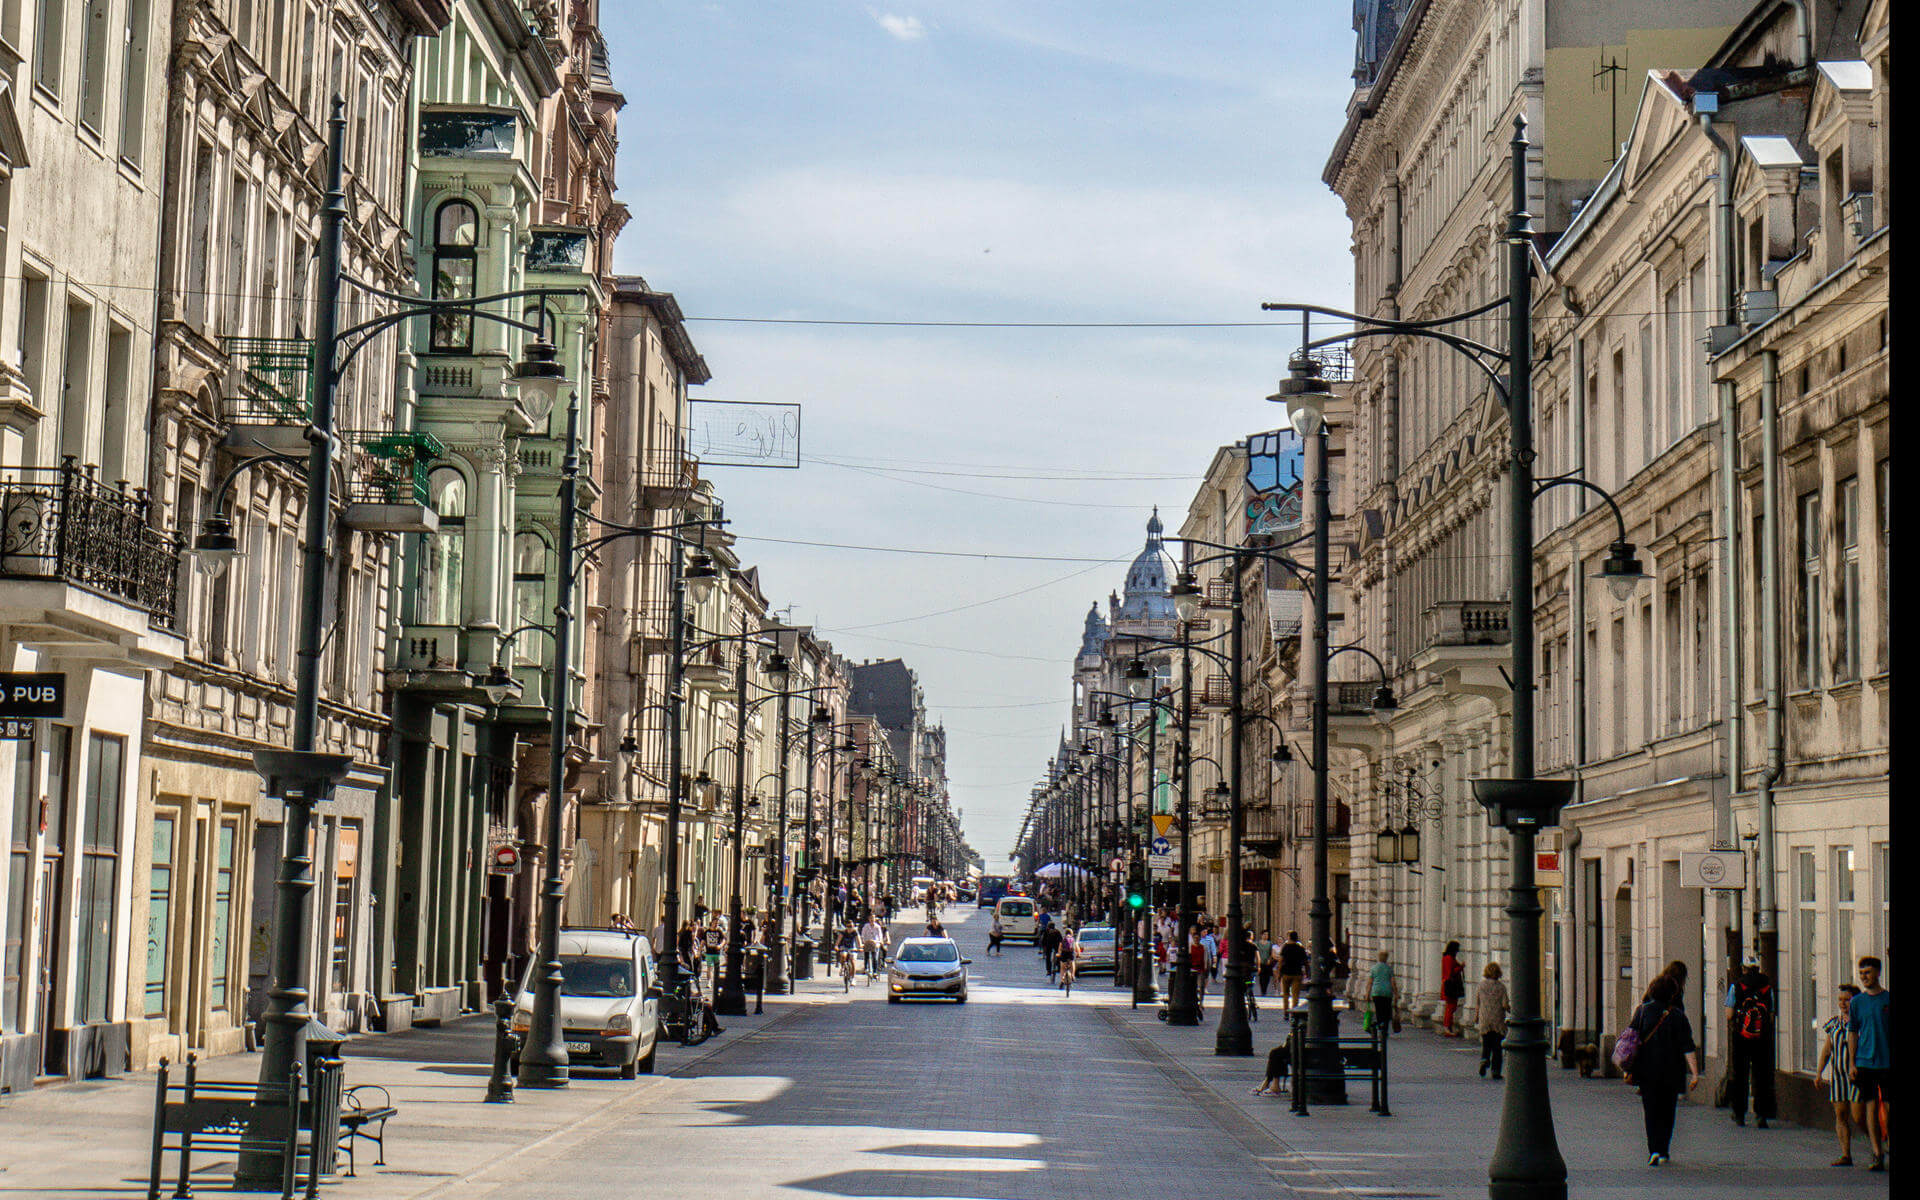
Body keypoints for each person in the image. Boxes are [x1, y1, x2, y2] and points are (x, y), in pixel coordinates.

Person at [1626, 973, 1698, 1166]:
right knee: (1668, 1110)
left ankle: (1654, 1150)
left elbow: (1631, 1039)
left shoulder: (1642, 1011)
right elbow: (1687, 1046)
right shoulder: (1677, 1016)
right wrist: (1695, 1073)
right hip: (1672, 1072)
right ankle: (1664, 1149)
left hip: (1647, 1072)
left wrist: (1628, 1066)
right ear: (1672, 994)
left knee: (1651, 1110)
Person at [1846, 955, 1891, 1172]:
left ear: (1878, 973)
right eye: (1861, 973)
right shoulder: (1857, 1002)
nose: (1864, 976)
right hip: (1865, 1062)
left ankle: (1887, 1141)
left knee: (1888, 1108)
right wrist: (1852, 1063)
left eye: (1868, 972)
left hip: (1887, 1061)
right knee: (1871, 1107)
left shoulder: (1887, 1000)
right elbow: (1852, 1032)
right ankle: (1877, 1152)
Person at [1725, 953, 1778, 1128]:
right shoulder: (1767, 987)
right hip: (1762, 1038)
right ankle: (1761, 1114)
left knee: (1740, 1074)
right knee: (1761, 1075)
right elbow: (1770, 1016)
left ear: (1744, 968)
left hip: (1741, 1037)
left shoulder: (1736, 986)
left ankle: (1739, 1113)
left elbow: (1729, 1014)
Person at [1815, 984, 1865, 1166]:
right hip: (1838, 1076)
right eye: (1840, 1000)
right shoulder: (1834, 1023)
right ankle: (1846, 1154)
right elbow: (1827, 1050)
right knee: (1840, 1114)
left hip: (1858, 1076)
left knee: (1859, 1116)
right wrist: (1819, 1073)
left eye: (1847, 1000)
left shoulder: (1862, 1023)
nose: (1843, 1003)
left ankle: (1878, 1145)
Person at [1475, 961, 1510, 1079]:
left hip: (1484, 1019)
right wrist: (1511, 1011)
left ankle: (1484, 1060)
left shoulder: (1481, 986)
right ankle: (1496, 1071)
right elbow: (1505, 1004)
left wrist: (1476, 1017)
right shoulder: (1501, 987)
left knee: (1486, 1044)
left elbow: (1478, 1003)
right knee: (1497, 1047)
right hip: (1497, 1020)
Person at [1369, 949, 1398, 1035]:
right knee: (1386, 1010)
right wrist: (1396, 993)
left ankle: (1378, 1024)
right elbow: (1393, 983)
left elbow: (1370, 982)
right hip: (1387, 992)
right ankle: (1385, 1029)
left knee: (1378, 1010)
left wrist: (1367, 994)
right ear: (1386, 958)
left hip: (1376, 992)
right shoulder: (1389, 969)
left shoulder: (1374, 968)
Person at [1277, 932, 1309, 1010]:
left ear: (1289, 938)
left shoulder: (1285, 947)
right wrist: (1307, 973)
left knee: (1286, 994)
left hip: (1286, 973)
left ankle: (1286, 1012)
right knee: (1295, 995)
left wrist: (1279, 973)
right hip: (1297, 973)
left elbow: (1281, 961)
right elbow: (1306, 962)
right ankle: (1294, 1012)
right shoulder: (1300, 948)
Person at [1440, 940, 1466, 1036]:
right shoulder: (1449, 958)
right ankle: (1447, 1027)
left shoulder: (1447, 957)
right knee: (1451, 1007)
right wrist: (1461, 967)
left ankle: (1448, 1026)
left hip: (1448, 985)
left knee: (1451, 1006)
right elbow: (1451, 972)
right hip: (1450, 985)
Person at [859, 913, 884, 977]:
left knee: (874, 957)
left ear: (875, 919)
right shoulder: (866, 926)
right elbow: (863, 934)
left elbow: (880, 935)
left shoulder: (877, 927)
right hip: (867, 942)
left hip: (875, 942)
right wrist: (863, 941)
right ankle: (866, 968)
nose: (872, 919)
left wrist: (880, 941)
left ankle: (875, 971)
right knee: (866, 955)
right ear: (869, 919)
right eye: (871, 918)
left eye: (873, 918)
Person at [1254, 930, 1276, 995]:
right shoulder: (1257, 943)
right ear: (1261, 935)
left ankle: (1265, 989)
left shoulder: (1270, 943)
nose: (1266, 936)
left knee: (1267, 977)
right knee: (1261, 977)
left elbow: (1271, 952)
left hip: (1267, 962)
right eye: (1264, 934)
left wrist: (1270, 959)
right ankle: (1262, 990)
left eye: (1267, 935)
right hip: (1260, 962)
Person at [1058, 928, 1078, 993]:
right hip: (1071, 954)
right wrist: (1078, 954)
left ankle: (1062, 980)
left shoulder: (1063, 939)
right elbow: (1076, 948)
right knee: (1072, 963)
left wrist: (1059, 954)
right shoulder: (1073, 939)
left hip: (1064, 954)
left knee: (1062, 968)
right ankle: (1072, 975)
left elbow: (1060, 948)